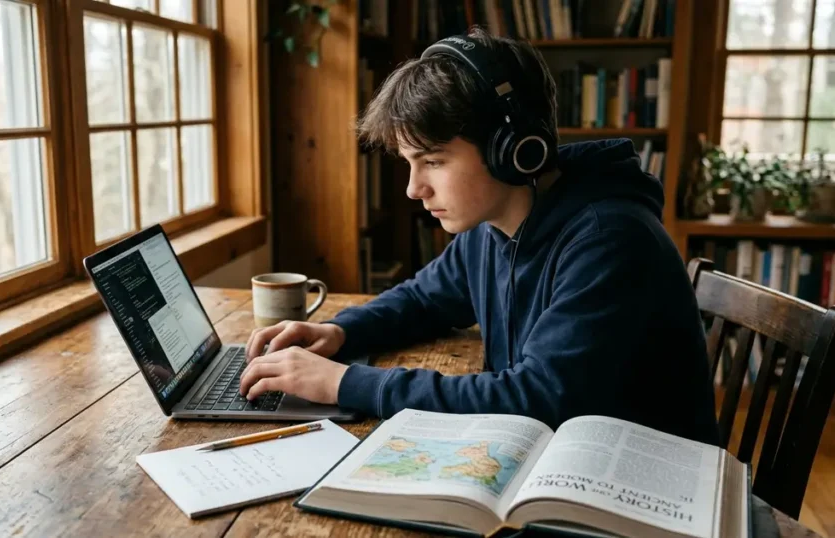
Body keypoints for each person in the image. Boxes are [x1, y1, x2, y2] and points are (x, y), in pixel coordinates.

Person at [239, 28, 718, 444]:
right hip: (556, 458)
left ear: (513, 150)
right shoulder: (493, 225)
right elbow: (423, 300)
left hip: (641, 483)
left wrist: (345, 384)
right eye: (409, 163)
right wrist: (341, 331)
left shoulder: (609, 239)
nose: (413, 188)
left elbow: (538, 397)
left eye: (433, 161)